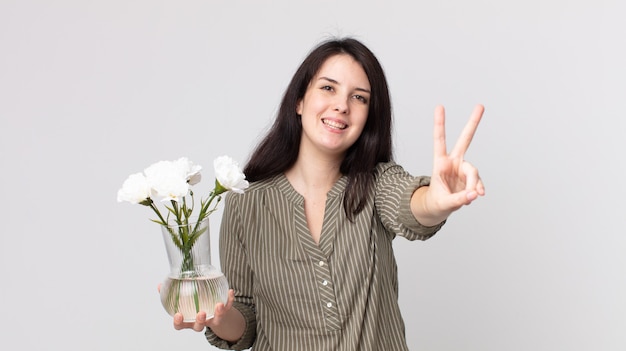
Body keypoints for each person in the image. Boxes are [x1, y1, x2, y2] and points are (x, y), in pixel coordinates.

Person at [171, 37, 484, 350]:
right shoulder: (245, 203)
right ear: (299, 100)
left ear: (368, 116)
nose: (342, 105)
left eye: (359, 97)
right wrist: (217, 317)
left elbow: (411, 207)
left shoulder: (377, 183)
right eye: (328, 88)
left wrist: (436, 200)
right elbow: (245, 320)